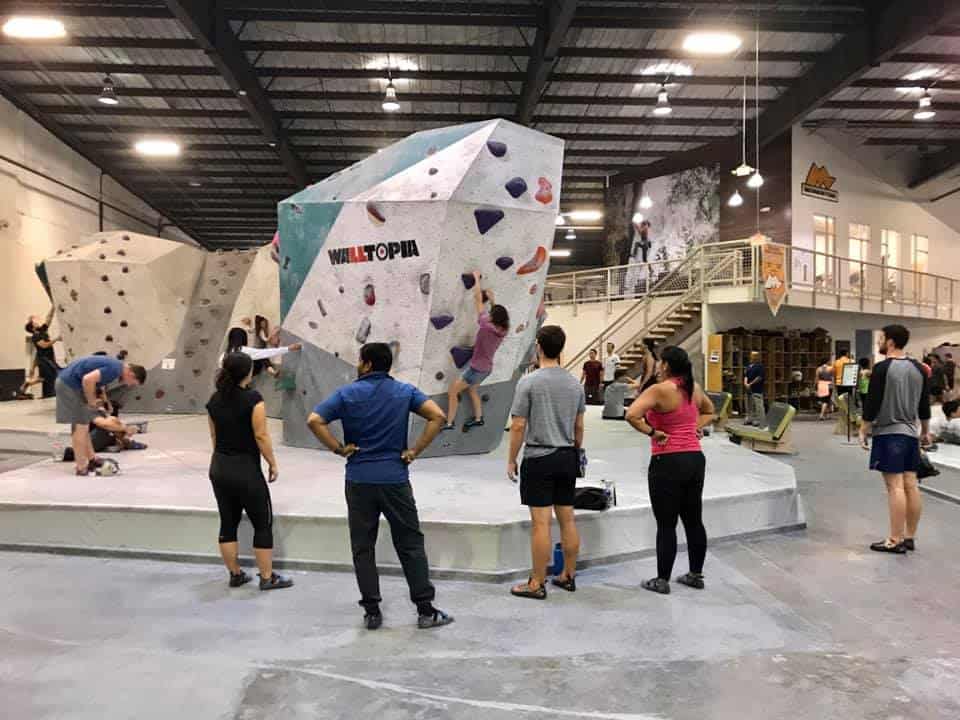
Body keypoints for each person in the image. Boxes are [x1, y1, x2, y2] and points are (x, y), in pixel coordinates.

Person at [307, 342, 453, 630]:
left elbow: (314, 420)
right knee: (410, 544)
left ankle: (372, 611)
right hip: (394, 479)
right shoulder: (404, 392)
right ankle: (425, 610)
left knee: (363, 547)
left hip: (359, 479)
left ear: (368, 364)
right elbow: (438, 416)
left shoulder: (347, 394)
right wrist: (413, 451)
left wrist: (339, 449)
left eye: (360, 360)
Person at [626, 346, 714, 595]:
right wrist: (694, 427)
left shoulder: (660, 390)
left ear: (664, 365)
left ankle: (662, 579)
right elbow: (710, 410)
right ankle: (695, 575)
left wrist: (653, 432)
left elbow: (632, 415)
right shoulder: (692, 389)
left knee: (666, 524)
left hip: (668, 460)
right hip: (695, 460)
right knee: (693, 520)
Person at [507, 325, 584, 600]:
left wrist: (511, 459)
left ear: (538, 345)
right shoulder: (574, 383)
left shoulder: (529, 382)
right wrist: (576, 451)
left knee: (541, 523)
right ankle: (568, 575)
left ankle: (536, 582)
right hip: (566, 456)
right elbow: (579, 426)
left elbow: (517, 426)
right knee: (567, 518)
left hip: (539, 457)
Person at [206, 352, 292, 591]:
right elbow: (261, 435)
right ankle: (267, 577)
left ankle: (235, 575)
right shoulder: (253, 398)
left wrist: (223, 460)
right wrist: (272, 462)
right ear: (249, 372)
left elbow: (214, 436)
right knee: (262, 524)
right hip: (246, 470)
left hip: (220, 467)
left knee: (228, 522)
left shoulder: (214, 400)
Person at [859, 324, 931, 554]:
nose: (879, 342)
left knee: (895, 487)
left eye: (881, 338)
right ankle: (909, 536)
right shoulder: (919, 368)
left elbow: (873, 402)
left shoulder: (882, 368)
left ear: (890, 342)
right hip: (910, 433)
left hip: (889, 433)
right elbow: (924, 404)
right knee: (911, 484)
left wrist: (863, 429)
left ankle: (894, 539)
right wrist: (924, 431)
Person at [55, 355, 145, 475]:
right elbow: (88, 379)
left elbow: (98, 382)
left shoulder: (116, 366)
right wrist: (92, 401)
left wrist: (105, 402)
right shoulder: (115, 369)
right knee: (81, 426)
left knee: (84, 425)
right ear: (131, 375)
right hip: (69, 386)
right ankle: (81, 466)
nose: (129, 385)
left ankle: (92, 459)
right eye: (132, 383)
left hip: (71, 384)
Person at [444, 272, 509, 431]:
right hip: (487, 368)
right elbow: (497, 315)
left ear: (492, 317)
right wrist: (493, 301)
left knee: (453, 391)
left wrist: (476, 278)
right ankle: (479, 418)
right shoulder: (503, 330)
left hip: (476, 368)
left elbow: (477, 299)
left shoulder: (485, 324)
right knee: (472, 389)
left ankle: (449, 423)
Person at [23, 306, 60, 398]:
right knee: (51, 376)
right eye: (34, 322)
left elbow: (48, 319)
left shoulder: (41, 331)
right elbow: (44, 345)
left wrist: (53, 307)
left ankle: (28, 383)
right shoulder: (35, 337)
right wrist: (57, 339)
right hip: (44, 360)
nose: (36, 322)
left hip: (48, 358)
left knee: (43, 378)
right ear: (33, 328)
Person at [223, 327, 300, 368]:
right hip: (245, 374)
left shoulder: (223, 356)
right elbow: (264, 353)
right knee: (260, 356)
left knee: (259, 355)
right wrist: (288, 348)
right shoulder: (242, 351)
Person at [743, 351, 765, 426]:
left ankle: (759, 420)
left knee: (758, 405)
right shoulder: (749, 366)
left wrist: (751, 384)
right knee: (748, 404)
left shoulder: (760, 366)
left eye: (753, 355)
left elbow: (759, 377)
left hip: (756, 389)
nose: (751, 357)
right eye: (751, 355)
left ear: (757, 357)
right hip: (748, 389)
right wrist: (745, 383)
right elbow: (745, 375)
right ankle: (749, 418)